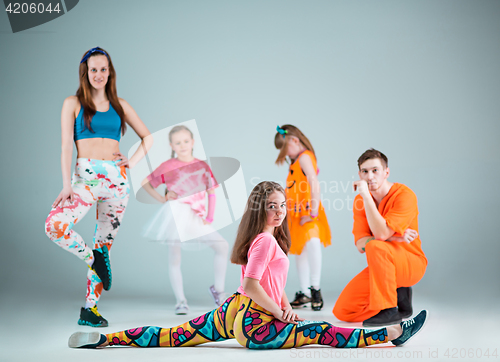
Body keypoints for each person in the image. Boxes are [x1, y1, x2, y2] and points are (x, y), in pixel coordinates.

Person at [68, 181, 427, 349]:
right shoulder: (266, 239)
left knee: (172, 337)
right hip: (255, 322)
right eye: (272, 205)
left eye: (282, 205)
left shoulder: (267, 240)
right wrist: (281, 314)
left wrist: (285, 305)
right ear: (260, 209)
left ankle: (103, 340)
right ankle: (392, 334)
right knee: (322, 332)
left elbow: (268, 283)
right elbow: (251, 285)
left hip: (234, 314)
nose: (280, 211)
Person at [44, 47, 153, 327]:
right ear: (85, 71)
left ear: (110, 72)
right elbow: (66, 145)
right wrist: (67, 183)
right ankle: (92, 257)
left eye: (103, 69)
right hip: (86, 178)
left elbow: (147, 138)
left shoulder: (120, 105)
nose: (98, 74)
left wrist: (132, 161)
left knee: (105, 243)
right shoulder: (73, 102)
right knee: (55, 226)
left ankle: (90, 310)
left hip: (117, 181)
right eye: (93, 69)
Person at [333, 149, 428, 327]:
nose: (370, 177)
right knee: (343, 311)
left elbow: (380, 235)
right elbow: (360, 245)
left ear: (386, 172)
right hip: (382, 267)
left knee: (376, 246)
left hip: (411, 263)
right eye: (365, 171)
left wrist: (367, 198)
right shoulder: (359, 202)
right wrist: (395, 238)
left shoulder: (404, 195)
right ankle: (398, 297)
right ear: (359, 174)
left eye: (375, 170)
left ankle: (389, 310)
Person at [141, 125, 228, 315]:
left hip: (196, 215)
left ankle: (219, 291)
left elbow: (211, 192)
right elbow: (145, 183)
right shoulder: (168, 166)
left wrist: (210, 216)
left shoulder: (202, 166)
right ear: (171, 145)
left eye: (186, 141)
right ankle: (180, 301)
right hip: (176, 211)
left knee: (222, 246)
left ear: (193, 142)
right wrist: (163, 198)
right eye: (178, 142)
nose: (182, 145)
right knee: (175, 256)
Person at [274, 125, 331, 311]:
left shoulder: (305, 156)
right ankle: (304, 291)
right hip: (295, 212)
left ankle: (315, 289)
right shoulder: (296, 159)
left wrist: (313, 212)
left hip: (308, 212)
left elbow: (314, 183)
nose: (286, 154)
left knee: (312, 243)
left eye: (285, 149)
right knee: (300, 250)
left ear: (295, 141)